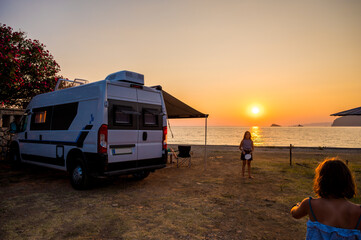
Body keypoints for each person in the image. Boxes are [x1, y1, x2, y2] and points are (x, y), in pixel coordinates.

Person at [290, 158, 361, 239]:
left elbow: (295, 214)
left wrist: (296, 206)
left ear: (321, 181)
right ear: (348, 181)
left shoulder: (309, 204)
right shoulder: (358, 211)